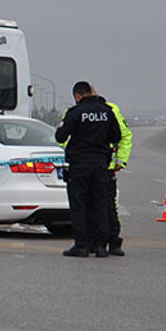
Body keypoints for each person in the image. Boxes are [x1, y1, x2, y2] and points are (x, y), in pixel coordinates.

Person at [54, 80, 122, 258]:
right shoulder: (107, 112)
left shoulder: (75, 112)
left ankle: (82, 246)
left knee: (80, 205)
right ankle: (101, 247)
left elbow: (60, 137)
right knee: (100, 204)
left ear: (77, 96)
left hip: (80, 165)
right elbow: (116, 136)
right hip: (101, 165)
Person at [98, 91, 133, 256]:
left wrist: (121, 160)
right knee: (103, 206)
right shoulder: (108, 112)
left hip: (105, 167)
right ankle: (101, 242)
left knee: (107, 206)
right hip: (97, 166)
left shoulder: (112, 112)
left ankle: (110, 241)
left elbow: (125, 136)